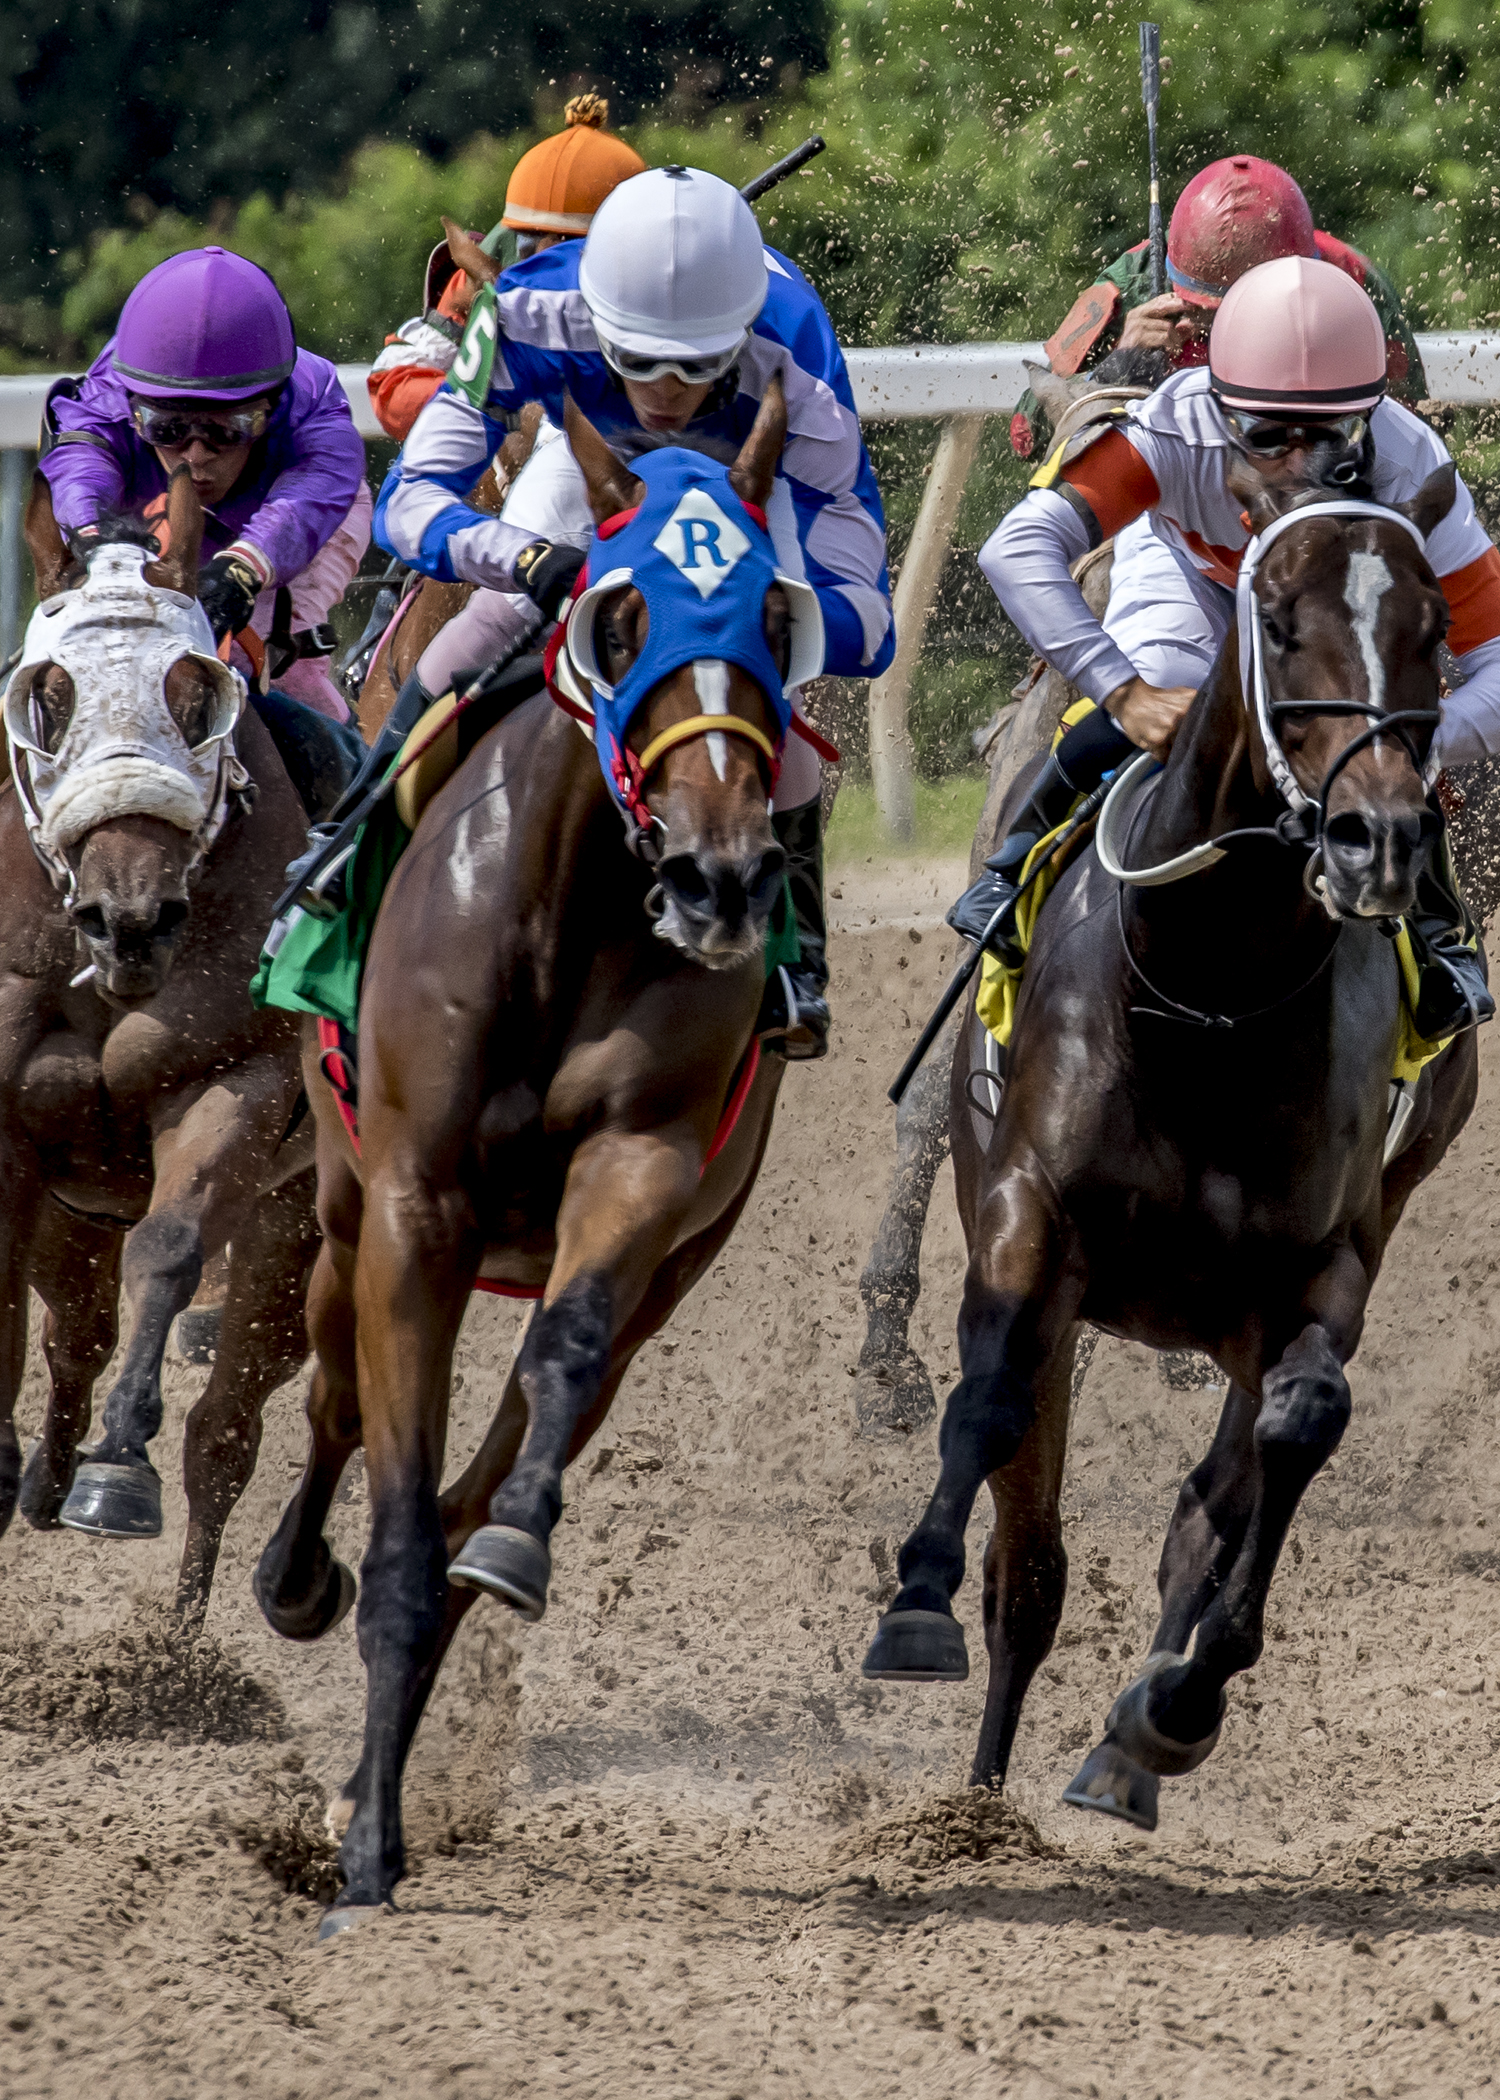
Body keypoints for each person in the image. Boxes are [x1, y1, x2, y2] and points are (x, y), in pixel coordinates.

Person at [371, 164, 895, 1059]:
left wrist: (772, 626)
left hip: (738, 475)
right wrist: (525, 561)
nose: (664, 389)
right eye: (638, 358)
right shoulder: (530, 313)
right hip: (591, 455)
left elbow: (867, 613)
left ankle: (796, 957)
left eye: (694, 366)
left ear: (738, 337)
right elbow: (410, 502)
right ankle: (348, 878)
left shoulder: (796, 351)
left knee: (779, 699)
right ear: (596, 319)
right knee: (471, 639)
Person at [950, 254, 1499, 1041]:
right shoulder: (1176, 426)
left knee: (1382, 741)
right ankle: (1018, 862)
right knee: (1169, 677)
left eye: (1329, 434)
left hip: (1327, 617)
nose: (1298, 461)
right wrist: (1122, 693)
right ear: (1221, 405)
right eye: (1268, 435)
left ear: (1372, 413)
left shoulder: (1412, 463)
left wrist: (1406, 740)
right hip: (1192, 583)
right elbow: (1017, 549)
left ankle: (1438, 933)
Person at [39, 246, 370, 734]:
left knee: (245, 654)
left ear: (272, 408)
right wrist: (90, 534)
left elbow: (311, 495)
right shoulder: (108, 392)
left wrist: (247, 566)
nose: (195, 456)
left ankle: (341, 765)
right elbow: (77, 469)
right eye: (167, 429)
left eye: (227, 429)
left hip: (301, 516)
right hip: (154, 511)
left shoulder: (312, 403)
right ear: (132, 405)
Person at [1010, 156, 1427, 458]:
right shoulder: (1132, 282)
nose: (1226, 329)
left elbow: (1414, 432)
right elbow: (1027, 435)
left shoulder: (1351, 281)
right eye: (1208, 312)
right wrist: (1117, 366)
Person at [366, 94, 646, 445]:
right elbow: (392, 384)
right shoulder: (480, 276)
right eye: (533, 239)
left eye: (574, 245)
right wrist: (502, 415)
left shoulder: (661, 281)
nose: (549, 261)